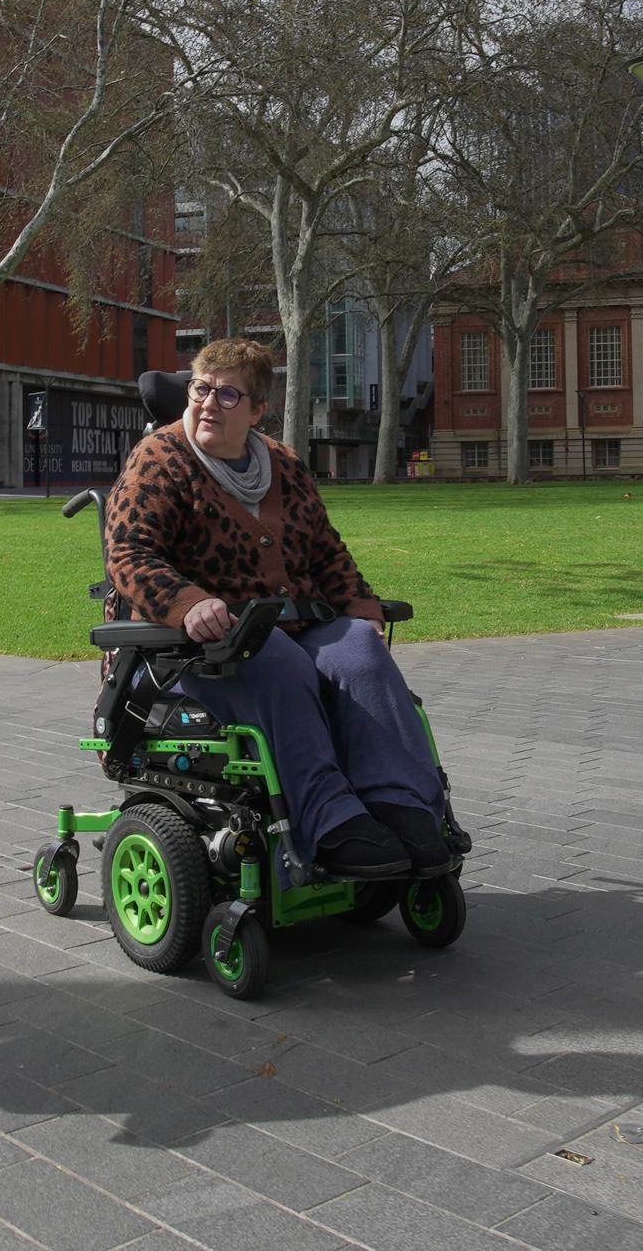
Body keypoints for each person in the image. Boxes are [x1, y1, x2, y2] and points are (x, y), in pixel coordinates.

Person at [104, 338, 448, 880]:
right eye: (200, 388)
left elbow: (326, 548)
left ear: (258, 409)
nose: (207, 403)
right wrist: (187, 602)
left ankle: (403, 807)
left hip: (293, 627)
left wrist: (361, 606)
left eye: (227, 394)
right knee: (277, 658)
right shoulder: (159, 458)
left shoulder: (282, 464)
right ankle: (330, 822)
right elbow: (128, 552)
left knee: (358, 648)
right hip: (197, 649)